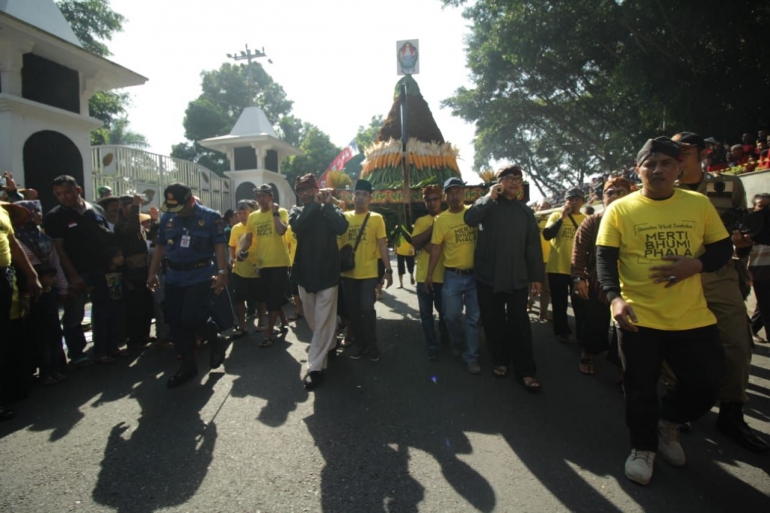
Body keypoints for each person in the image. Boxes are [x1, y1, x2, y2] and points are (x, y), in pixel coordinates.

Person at [596, 136, 730, 486]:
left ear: (679, 169)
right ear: (638, 170)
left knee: (708, 381)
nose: (657, 170)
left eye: (665, 163)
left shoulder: (698, 203)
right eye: (649, 164)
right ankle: (642, 448)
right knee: (639, 388)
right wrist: (614, 298)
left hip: (692, 317)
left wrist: (695, 266)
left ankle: (668, 422)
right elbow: (605, 260)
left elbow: (722, 250)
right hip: (638, 317)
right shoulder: (620, 209)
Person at [672, 131, 768, 453]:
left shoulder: (726, 185)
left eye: (684, 152)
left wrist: (742, 243)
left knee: (738, 342)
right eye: (675, 152)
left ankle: (731, 412)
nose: (678, 158)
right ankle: (680, 408)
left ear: (704, 153)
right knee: (677, 345)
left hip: (718, 275)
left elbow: (738, 232)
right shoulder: (662, 190)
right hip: (678, 278)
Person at [465, 165, 543, 389]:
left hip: (517, 278)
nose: (515, 182)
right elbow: (470, 218)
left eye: (518, 179)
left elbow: (532, 245)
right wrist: (489, 197)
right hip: (488, 277)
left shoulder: (525, 212)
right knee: (493, 322)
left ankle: (526, 370)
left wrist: (536, 276)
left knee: (519, 322)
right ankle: (500, 361)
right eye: (509, 178)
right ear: (498, 183)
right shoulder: (487, 205)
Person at [147, 183, 229, 388]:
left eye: (181, 207)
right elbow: (159, 247)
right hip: (174, 276)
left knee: (191, 316)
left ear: (191, 201)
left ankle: (215, 337)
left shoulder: (211, 218)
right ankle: (188, 364)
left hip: (201, 275)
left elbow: (219, 246)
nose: (177, 212)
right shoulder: (168, 218)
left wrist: (221, 272)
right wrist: (152, 273)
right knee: (174, 320)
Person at [44, 175, 113, 366]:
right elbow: (59, 249)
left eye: (67, 192)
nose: (64, 197)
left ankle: (102, 350)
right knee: (74, 315)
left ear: (78, 190)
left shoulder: (96, 209)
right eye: (59, 194)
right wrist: (72, 276)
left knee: (103, 312)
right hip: (76, 273)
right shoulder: (54, 217)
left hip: (101, 270)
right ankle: (77, 353)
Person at [289, 174, 349, 389]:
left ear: (316, 189)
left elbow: (342, 228)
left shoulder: (328, 209)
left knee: (322, 320)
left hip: (327, 275)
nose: (304, 194)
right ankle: (331, 343)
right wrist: (315, 205)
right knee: (313, 320)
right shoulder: (296, 211)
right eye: (300, 190)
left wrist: (328, 205)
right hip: (304, 275)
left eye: (308, 189)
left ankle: (315, 366)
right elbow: (297, 226)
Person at [571, 177, 632, 376]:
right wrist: (579, 278)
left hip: (632, 284)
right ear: (602, 197)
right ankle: (588, 354)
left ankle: (624, 369)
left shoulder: (637, 218)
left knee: (629, 328)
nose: (614, 197)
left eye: (620, 192)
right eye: (609, 193)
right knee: (595, 323)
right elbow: (579, 250)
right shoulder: (593, 220)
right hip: (598, 283)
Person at [426, 177, 480, 374]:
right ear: (445, 196)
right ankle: (458, 341)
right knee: (450, 316)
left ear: (464, 194)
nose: (455, 195)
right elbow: (436, 249)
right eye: (451, 192)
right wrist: (429, 274)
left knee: (474, 318)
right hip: (452, 276)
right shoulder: (441, 220)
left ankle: (471, 357)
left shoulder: (474, 214)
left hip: (475, 276)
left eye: (458, 191)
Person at [13, 200, 68, 385]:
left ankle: (55, 368)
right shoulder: (15, 239)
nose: (38, 215)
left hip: (49, 291)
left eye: (39, 211)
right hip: (28, 293)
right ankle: (42, 372)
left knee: (53, 333)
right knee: (37, 335)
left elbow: (56, 264)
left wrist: (62, 287)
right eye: (33, 211)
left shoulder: (45, 239)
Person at [340, 179, 393, 361]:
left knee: (367, 309)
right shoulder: (344, 217)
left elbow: (383, 245)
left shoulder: (376, 218)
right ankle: (360, 344)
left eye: (364, 194)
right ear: (352, 196)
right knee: (353, 312)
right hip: (348, 274)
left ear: (370, 198)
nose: (360, 198)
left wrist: (388, 270)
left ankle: (372, 345)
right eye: (358, 194)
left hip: (369, 273)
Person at [0, 201, 41, 420]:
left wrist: (31, 274)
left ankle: (11, 390)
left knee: (9, 335)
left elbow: (13, 245)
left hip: (5, 276)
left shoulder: (2, 212)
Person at [243, 184, 291, 346]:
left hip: (279, 262)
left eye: (264, 196)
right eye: (258, 196)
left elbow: (281, 231)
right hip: (262, 263)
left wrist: (275, 212)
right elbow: (249, 239)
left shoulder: (281, 212)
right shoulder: (253, 217)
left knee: (274, 297)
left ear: (271, 197)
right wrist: (243, 251)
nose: (261, 199)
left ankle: (269, 332)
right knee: (269, 297)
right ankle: (284, 322)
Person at [543, 187, 587, 344]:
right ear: (565, 201)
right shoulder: (556, 215)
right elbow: (547, 235)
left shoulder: (586, 219)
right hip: (557, 267)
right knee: (559, 302)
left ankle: (582, 334)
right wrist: (562, 218)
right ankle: (562, 332)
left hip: (577, 269)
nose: (574, 202)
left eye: (577, 199)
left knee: (580, 303)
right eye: (570, 199)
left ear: (582, 201)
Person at [412, 184, 450, 361]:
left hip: (444, 275)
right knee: (426, 314)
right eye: (428, 200)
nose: (432, 203)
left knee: (445, 313)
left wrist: (427, 243)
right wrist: (434, 226)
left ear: (441, 199)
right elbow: (415, 241)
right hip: (423, 276)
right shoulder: (421, 221)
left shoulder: (450, 218)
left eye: (435, 199)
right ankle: (432, 345)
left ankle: (446, 341)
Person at [114, 194, 154, 351]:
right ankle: (134, 339)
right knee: (134, 306)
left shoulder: (136, 223)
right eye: (131, 207)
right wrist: (137, 206)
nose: (135, 210)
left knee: (146, 303)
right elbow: (133, 228)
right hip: (131, 271)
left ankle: (144, 334)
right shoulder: (121, 224)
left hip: (143, 268)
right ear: (123, 209)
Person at [228, 200, 260, 338]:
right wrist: (231, 257)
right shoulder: (235, 228)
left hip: (257, 269)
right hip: (239, 269)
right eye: (239, 213)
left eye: (244, 213)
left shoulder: (257, 226)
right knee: (239, 299)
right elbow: (232, 246)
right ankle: (243, 324)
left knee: (260, 298)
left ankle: (262, 322)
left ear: (251, 213)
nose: (242, 216)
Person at [90, 246, 125, 364]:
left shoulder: (120, 270)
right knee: (101, 329)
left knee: (114, 327)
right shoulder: (99, 273)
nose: (121, 258)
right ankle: (100, 353)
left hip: (116, 301)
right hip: (103, 303)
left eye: (121, 255)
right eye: (117, 256)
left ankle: (112, 348)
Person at [530, 201, 552, 320]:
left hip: (547, 259)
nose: (543, 209)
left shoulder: (552, 220)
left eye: (546, 207)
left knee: (546, 288)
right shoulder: (532, 220)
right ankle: (528, 305)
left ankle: (543, 312)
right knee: (527, 285)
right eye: (541, 207)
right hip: (531, 259)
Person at [392, 223, 415, 288]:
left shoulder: (411, 227)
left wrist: (412, 248)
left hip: (409, 251)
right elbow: (396, 238)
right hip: (400, 251)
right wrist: (395, 248)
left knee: (411, 266)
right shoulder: (397, 227)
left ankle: (411, 276)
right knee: (400, 267)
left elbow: (415, 238)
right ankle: (401, 283)